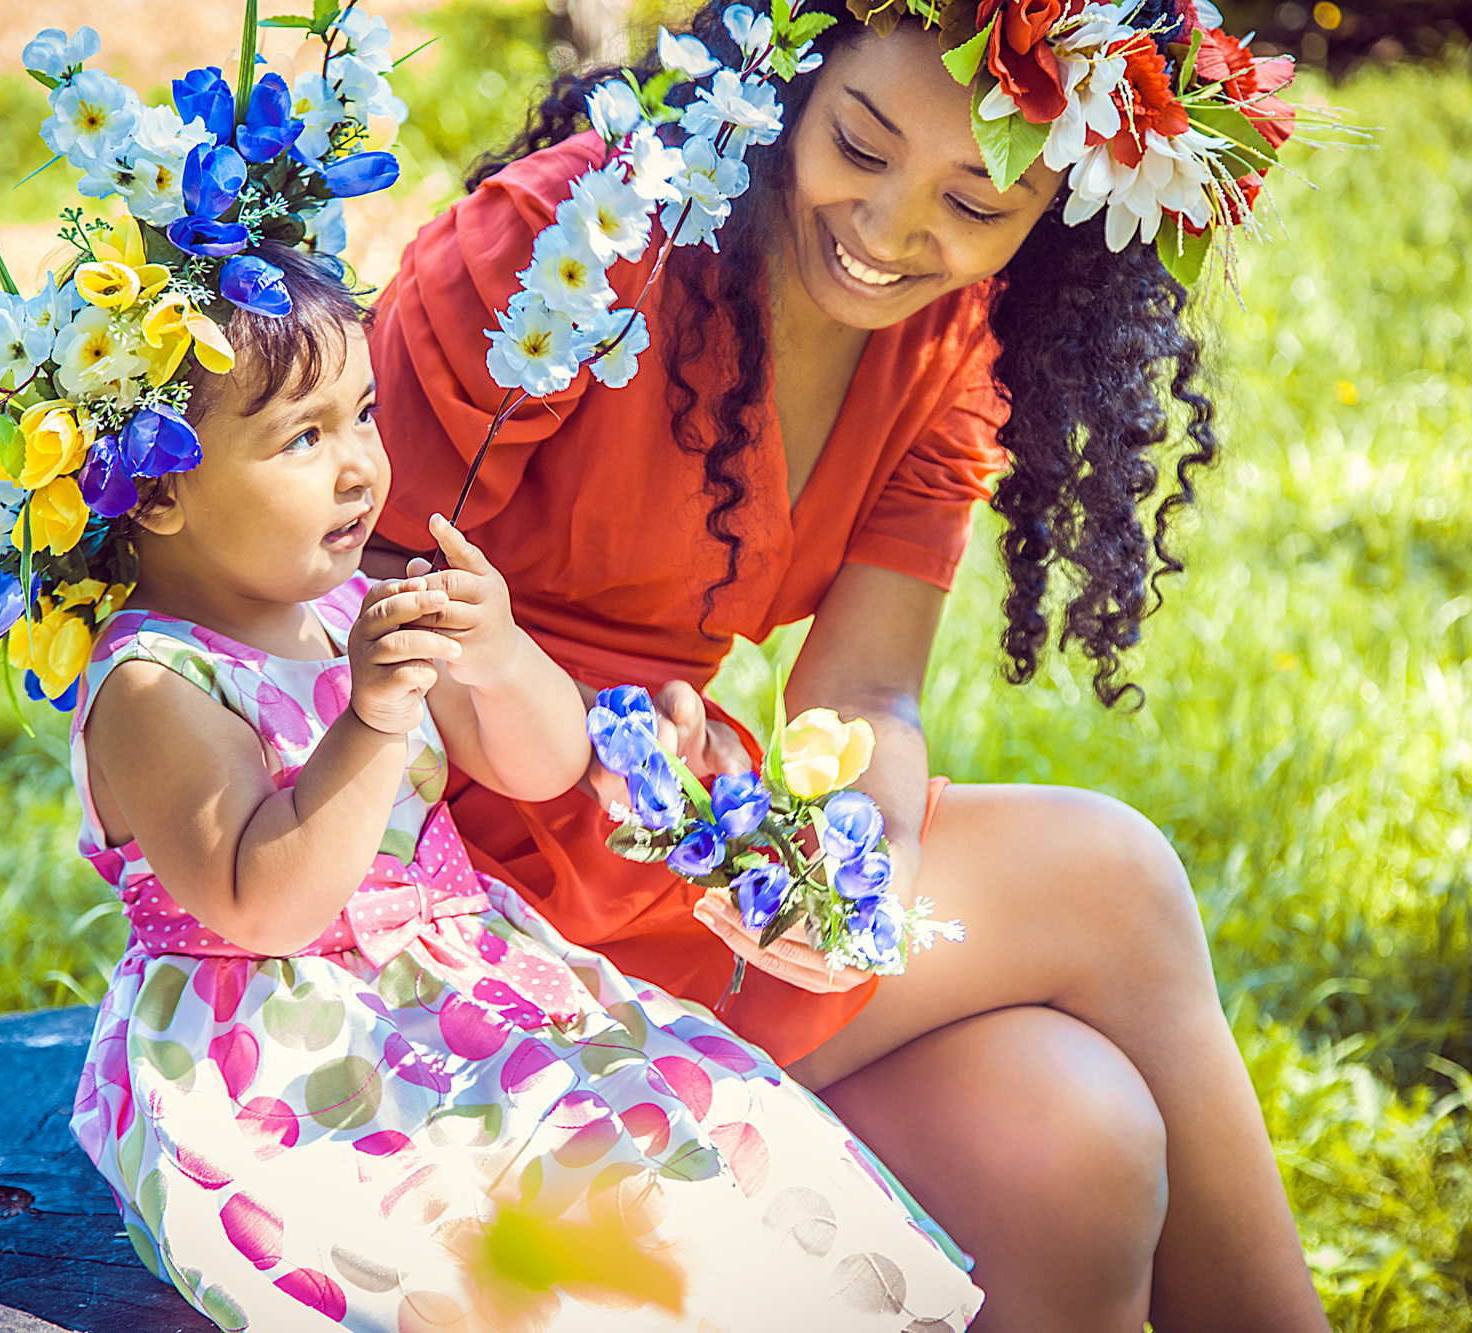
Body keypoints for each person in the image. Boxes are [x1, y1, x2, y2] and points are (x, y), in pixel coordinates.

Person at [366, 3, 1331, 1330]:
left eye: (974, 202)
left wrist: (837, 877)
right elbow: (341, 604)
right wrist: (571, 737)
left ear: (1052, 213)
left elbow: (864, 697)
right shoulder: (568, 244)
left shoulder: (949, 348)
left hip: (685, 851)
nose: (884, 230)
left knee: (1074, 1141)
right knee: (1114, 880)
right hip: (453, 884)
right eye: (859, 146)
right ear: (786, 78)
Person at [64, 243, 988, 1330]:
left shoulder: (352, 610)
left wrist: (496, 656)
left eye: (362, 415)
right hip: (285, 1056)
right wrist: (371, 717)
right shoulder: (153, 680)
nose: (360, 464)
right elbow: (263, 902)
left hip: (465, 994)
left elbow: (541, 765)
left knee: (705, 1147)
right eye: (303, 437)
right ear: (160, 488)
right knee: (497, 1255)